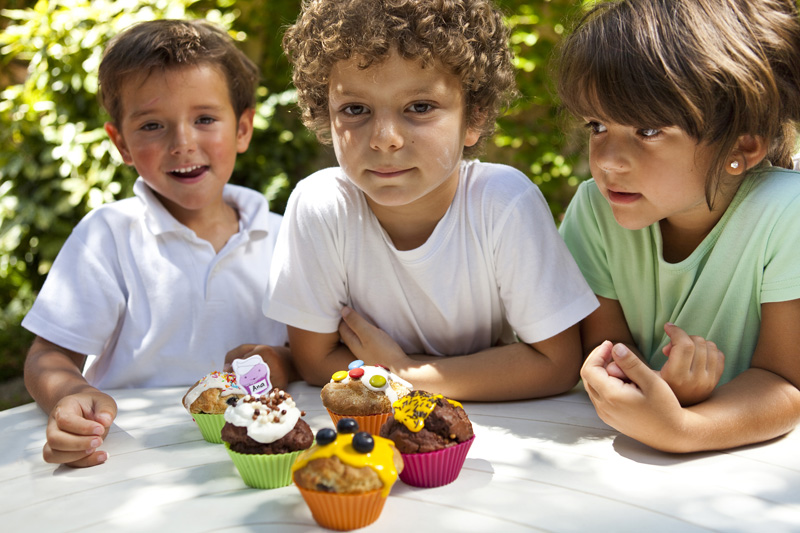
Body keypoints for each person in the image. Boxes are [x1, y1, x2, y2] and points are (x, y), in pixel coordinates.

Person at [263, 0, 599, 402]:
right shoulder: (321, 206)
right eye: (355, 109)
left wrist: (401, 373)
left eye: (419, 107)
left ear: (473, 116)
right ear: (325, 115)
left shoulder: (503, 202)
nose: (384, 137)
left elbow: (557, 365)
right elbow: (314, 361)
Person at [22, 19, 296, 468]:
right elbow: (49, 354)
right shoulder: (108, 235)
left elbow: (312, 353)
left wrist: (282, 362)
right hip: (130, 457)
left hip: (260, 451)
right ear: (121, 144)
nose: (182, 143)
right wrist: (71, 393)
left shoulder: (288, 237)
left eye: (205, 119)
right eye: (152, 125)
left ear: (243, 128)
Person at [556, 0, 800, 452]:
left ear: (742, 144)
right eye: (597, 125)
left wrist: (684, 428)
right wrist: (657, 390)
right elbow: (607, 351)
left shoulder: (788, 213)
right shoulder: (595, 209)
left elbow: (786, 383)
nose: (607, 160)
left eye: (648, 130)